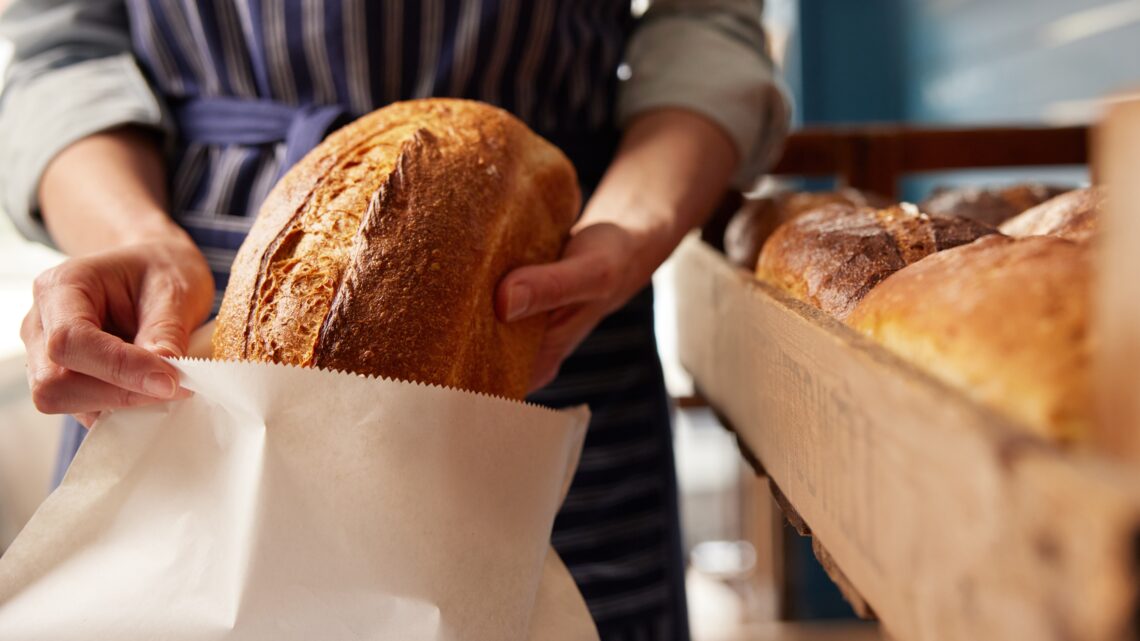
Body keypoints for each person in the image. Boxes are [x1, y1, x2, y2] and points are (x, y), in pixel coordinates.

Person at [0, 1, 788, 638]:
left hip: (545, 317)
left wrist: (631, 229)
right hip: (193, 344)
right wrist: (134, 239)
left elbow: (705, 23)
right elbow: (63, 52)